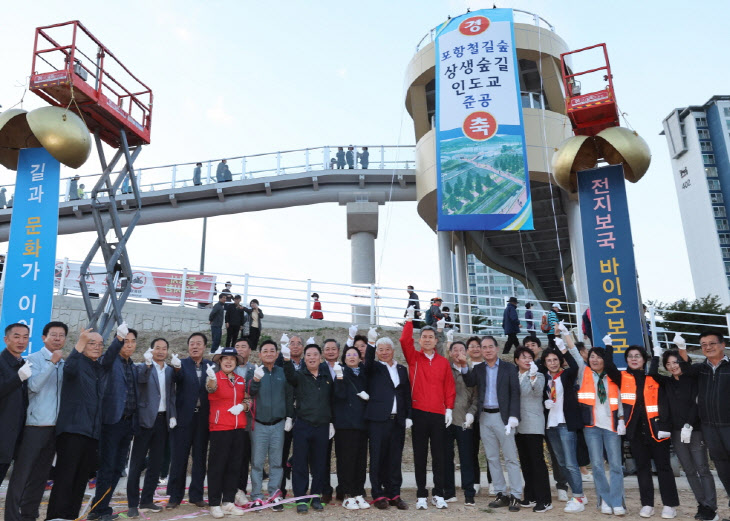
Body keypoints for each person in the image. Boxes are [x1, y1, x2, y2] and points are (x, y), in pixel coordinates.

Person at [46, 324, 126, 521]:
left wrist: (119, 340)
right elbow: (70, 368)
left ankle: (70, 516)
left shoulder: (98, 367)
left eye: (100, 344)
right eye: (92, 343)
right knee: (65, 477)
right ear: (83, 345)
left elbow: (108, 360)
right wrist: (79, 343)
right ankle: (55, 517)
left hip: (92, 433)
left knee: (81, 479)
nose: (97, 347)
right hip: (72, 431)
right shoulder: (75, 362)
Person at [604, 338, 679, 519]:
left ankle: (669, 505)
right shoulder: (622, 378)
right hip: (636, 432)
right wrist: (608, 347)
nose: (634, 359)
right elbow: (609, 367)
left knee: (664, 468)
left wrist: (665, 426)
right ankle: (647, 504)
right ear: (627, 360)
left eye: (638, 356)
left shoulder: (655, 378)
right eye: (630, 356)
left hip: (657, 430)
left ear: (644, 360)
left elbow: (665, 404)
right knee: (643, 468)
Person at [5, 322, 66, 521]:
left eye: (62, 335)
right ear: (43, 337)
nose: (58, 338)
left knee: (40, 478)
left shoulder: (63, 363)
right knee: (20, 478)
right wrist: (51, 364)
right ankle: (12, 517)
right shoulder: (32, 360)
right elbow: (34, 387)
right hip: (33, 427)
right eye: (53, 334)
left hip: (53, 428)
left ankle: (29, 516)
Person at [651, 346, 716, 521]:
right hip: (676, 432)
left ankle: (710, 506)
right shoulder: (667, 382)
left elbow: (696, 404)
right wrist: (656, 356)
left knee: (703, 469)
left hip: (695, 430)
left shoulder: (692, 378)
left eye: (675, 362)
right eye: (668, 363)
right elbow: (651, 375)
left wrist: (689, 425)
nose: (672, 366)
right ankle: (702, 504)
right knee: (688, 470)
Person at [401, 307, 454, 509]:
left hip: (439, 414)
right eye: (424, 337)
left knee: (439, 456)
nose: (428, 339)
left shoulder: (443, 363)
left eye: (431, 337)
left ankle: (438, 494)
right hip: (419, 413)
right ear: (420, 340)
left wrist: (449, 408)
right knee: (420, 455)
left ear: (436, 340)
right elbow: (404, 342)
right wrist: (408, 320)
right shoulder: (414, 358)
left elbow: (449, 387)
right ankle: (421, 494)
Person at [462, 335, 522, 512]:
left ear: (496, 348)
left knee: (511, 458)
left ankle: (516, 495)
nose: (487, 350)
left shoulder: (509, 368)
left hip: (503, 418)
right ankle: (501, 493)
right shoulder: (478, 368)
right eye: (484, 347)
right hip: (485, 417)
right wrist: (464, 366)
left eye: (490, 347)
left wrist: (513, 417)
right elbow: (470, 382)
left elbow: (515, 394)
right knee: (492, 458)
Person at [87, 326, 141, 521]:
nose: (129, 344)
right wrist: (117, 338)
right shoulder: (109, 362)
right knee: (107, 467)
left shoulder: (133, 366)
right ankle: (99, 510)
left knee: (118, 468)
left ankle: (101, 507)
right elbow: (107, 356)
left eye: (132, 341)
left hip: (127, 425)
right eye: (125, 341)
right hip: (111, 424)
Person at [677, 332, 730, 518]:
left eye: (712, 343)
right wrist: (682, 349)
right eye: (703, 344)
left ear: (723, 345)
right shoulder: (701, 369)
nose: (708, 347)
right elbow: (684, 369)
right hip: (710, 428)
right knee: (723, 470)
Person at [127, 338, 177, 518]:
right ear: (152, 350)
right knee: (137, 463)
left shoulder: (170, 370)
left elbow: (171, 394)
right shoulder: (142, 367)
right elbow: (141, 381)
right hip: (145, 420)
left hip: (163, 421)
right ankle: (132, 503)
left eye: (164, 348)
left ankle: (147, 499)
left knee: (156, 463)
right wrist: (147, 365)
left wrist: (173, 415)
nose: (161, 351)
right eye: (158, 348)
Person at [282, 342, 334, 514]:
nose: (312, 358)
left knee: (319, 464)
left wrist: (331, 421)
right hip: (303, 424)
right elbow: (289, 375)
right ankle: (300, 499)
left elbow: (331, 400)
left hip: (322, 426)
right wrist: (287, 358)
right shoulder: (299, 375)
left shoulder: (327, 377)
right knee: (300, 464)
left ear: (320, 358)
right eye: (309, 355)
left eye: (315, 355)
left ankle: (315, 497)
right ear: (305, 358)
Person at [576, 343, 626, 515]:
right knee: (597, 465)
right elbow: (574, 357)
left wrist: (621, 419)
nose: (594, 359)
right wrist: (564, 337)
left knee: (616, 465)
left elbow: (620, 399)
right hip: (592, 426)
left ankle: (617, 501)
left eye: (598, 356)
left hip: (611, 426)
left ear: (605, 359)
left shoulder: (613, 375)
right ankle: (605, 499)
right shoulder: (584, 373)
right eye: (591, 356)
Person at [167, 333, 215, 509]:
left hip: (203, 418)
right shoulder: (180, 364)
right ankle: (175, 496)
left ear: (204, 347)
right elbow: (175, 380)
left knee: (200, 457)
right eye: (192, 343)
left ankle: (196, 495)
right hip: (182, 418)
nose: (195, 346)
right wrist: (177, 369)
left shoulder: (211, 365)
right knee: (179, 458)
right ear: (188, 347)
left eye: (199, 344)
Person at [363, 336, 411, 510]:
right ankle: (378, 494)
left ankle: (394, 493)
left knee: (395, 459)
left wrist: (408, 416)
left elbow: (405, 394)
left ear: (393, 350)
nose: (384, 353)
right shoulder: (374, 367)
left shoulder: (401, 369)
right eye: (380, 350)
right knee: (377, 458)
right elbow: (367, 363)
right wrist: (371, 344)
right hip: (377, 420)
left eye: (387, 349)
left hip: (397, 421)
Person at [542, 337, 587, 513]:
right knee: (561, 462)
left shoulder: (566, 375)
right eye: (548, 360)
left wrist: (563, 349)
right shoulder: (542, 378)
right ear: (544, 363)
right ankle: (579, 494)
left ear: (559, 361)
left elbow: (576, 366)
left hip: (565, 423)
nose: (552, 363)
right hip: (551, 425)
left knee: (570, 462)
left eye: (555, 360)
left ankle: (577, 495)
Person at [205, 347, 249, 518]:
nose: (229, 361)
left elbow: (248, 399)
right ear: (220, 362)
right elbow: (210, 388)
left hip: (238, 428)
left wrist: (243, 406)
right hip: (220, 428)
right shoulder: (214, 378)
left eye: (232, 359)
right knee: (217, 466)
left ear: (236, 362)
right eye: (225, 359)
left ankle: (228, 502)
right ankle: (214, 503)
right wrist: (210, 379)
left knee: (234, 465)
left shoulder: (240, 379)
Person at [248, 340, 291, 511]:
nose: (268, 353)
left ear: (277, 353)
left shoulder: (282, 372)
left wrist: (289, 417)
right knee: (257, 462)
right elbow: (250, 392)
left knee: (276, 462)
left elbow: (289, 396)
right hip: (258, 425)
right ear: (259, 354)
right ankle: (257, 496)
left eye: (272, 351)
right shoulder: (254, 371)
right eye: (265, 351)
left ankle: (274, 494)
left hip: (278, 424)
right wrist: (257, 379)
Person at [512, 346, 552, 512]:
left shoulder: (539, 375)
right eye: (523, 357)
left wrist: (533, 376)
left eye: (530, 357)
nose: (528, 360)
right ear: (516, 361)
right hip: (518, 425)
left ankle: (545, 499)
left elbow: (536, 393)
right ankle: (530, 495)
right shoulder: (513, 376)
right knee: (526, 462)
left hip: (533, 424)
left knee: (537, 462)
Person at [334, 345, 370, 510]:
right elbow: (339, 395)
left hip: (362, 424)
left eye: (355, 354)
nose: (352, 357)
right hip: (345, 425)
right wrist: (340, 378)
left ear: (360, 358)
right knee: (346, 461)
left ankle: (358, 493)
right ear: (344, 358)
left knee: (360, 461)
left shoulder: (364, 374)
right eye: (348, 354)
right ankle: (347, 493)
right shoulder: (341, 373)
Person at [444, 339, 478, 506]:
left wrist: (471, 414)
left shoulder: (471, 373)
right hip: (446, 420)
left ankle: (469, 493)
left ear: (466, 353)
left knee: (467, 458)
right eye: (454, 349)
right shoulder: (444, 370)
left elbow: (476, 398)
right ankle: (449, 492)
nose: (458, 352)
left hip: (465, 421)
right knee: (446, 457)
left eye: (461, 349)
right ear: (450, 353)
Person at [0, 324, 31, 486]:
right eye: (17, 336)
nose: (21, 341)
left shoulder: (22, 364)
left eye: (25, 337)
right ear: (6, 339)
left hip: (13, 437)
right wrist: (17, 378)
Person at [275, 334, 303, 497]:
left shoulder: (308, 363)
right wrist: (282, 350)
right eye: (292, 343)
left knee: (300, 455)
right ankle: (279, 490)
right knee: (281, 453)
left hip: (303, 415)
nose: (295, 346)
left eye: (298, 343)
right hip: (284, 414)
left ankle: (299, 491)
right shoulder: (281, 362)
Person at [232, 337, 256, 503]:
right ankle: (228, 489)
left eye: (243, 347)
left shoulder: (254, 370)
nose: (240, 349)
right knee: (228, 456)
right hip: (227, 419)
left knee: (243, 456)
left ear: (249, 350)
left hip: (246, 419)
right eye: (237, 346)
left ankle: (240, 489)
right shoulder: (225, 367)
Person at [320, 339, 341, 503]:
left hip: (342, 419)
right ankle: (325, 489)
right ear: (323, 352)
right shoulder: (318, 368)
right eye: (327, 349)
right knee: (323, 456)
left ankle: (343, 488)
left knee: (343, 455)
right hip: (324, 419)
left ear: (339, 351)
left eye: (334, 349)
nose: (331, 351)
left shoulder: (346, 367)